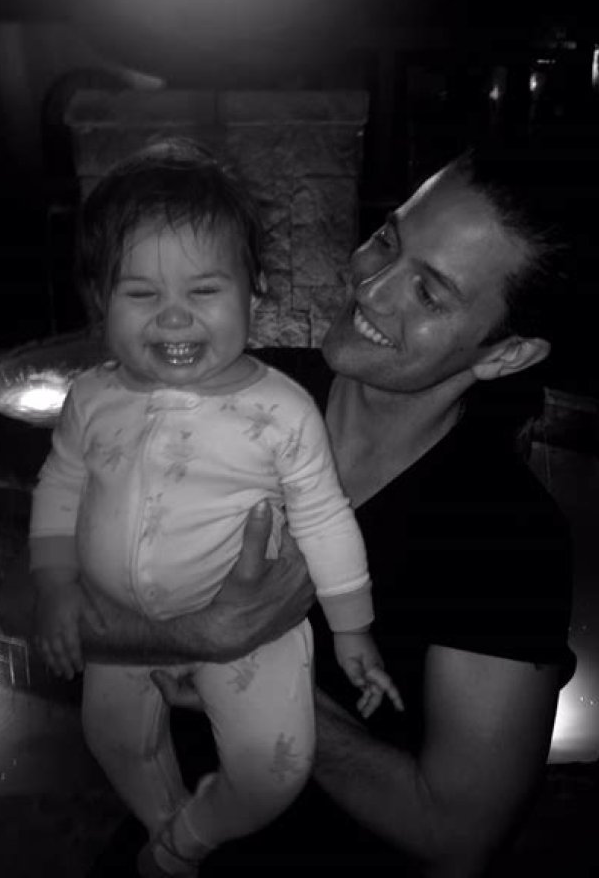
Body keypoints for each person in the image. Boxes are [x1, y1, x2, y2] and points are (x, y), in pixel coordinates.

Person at [0, 142, 575, 877]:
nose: (370, 287)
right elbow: (17, 600)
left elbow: (456, 835)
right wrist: (189, 633)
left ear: (506, 354)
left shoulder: (506, 536)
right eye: (387, 239)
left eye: (429, 294)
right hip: (157, 824)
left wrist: (254, 676)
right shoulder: (229, 385)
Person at [27, 140, 401, 878]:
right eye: (140, 294)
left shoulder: (282, 410)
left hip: (253, 637)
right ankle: (164, 823)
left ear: (254, 291)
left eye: (203, 291)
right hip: (118, 625)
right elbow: (61, 485)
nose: (174, 317)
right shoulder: (91, 398)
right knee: (113, 742)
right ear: (98, 299)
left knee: (274, 770)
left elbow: (325, 516)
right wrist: (55, 583)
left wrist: (352, 627)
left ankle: (194, 834)